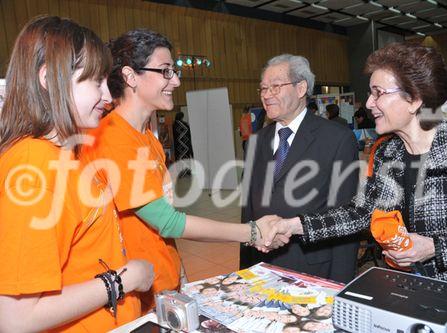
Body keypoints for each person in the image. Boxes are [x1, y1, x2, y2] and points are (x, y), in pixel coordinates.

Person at [269, 43, 447, 318]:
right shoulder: (388, 154)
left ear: (415, 99)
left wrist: (433, 248)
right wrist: (293, 225)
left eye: (378, 93)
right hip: (406, 295)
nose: (368, 103)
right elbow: (362, 213)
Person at [82, 29, 284, 313]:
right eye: (165, 71)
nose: (175, 80)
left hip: (162, 281)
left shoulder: (146, 137)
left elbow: (161, 228)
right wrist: (251, 232)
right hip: (134, 294)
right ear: (130, 77)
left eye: (174, 71)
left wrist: (179, 273)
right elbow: (167, 221)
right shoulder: (114, 138)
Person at [0, 16, 154, 332]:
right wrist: (124, 279)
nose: (108, 98)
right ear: (48, 78)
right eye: (95, 82)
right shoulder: (35, 165)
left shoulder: (70, 151)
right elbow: (15, 319)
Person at [239, 54, 360, 283]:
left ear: (301, 87)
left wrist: (339, 284)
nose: (266, 95)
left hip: (313, 268)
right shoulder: (256, 142)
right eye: (263, 88)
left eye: (275, 87)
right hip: (262, 265)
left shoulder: (336, 139)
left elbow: (345, 216)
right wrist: (245, 271)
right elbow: (248, 210)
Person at [173, 111, 193, 177]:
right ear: (182, 117)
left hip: (178, 146)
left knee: (179, 159)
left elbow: (173, 136)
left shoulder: (174, 125)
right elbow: (189, 136)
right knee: (186, 159)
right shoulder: (186, 125)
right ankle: (187, 172)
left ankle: (181, 173)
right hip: (186, 146)